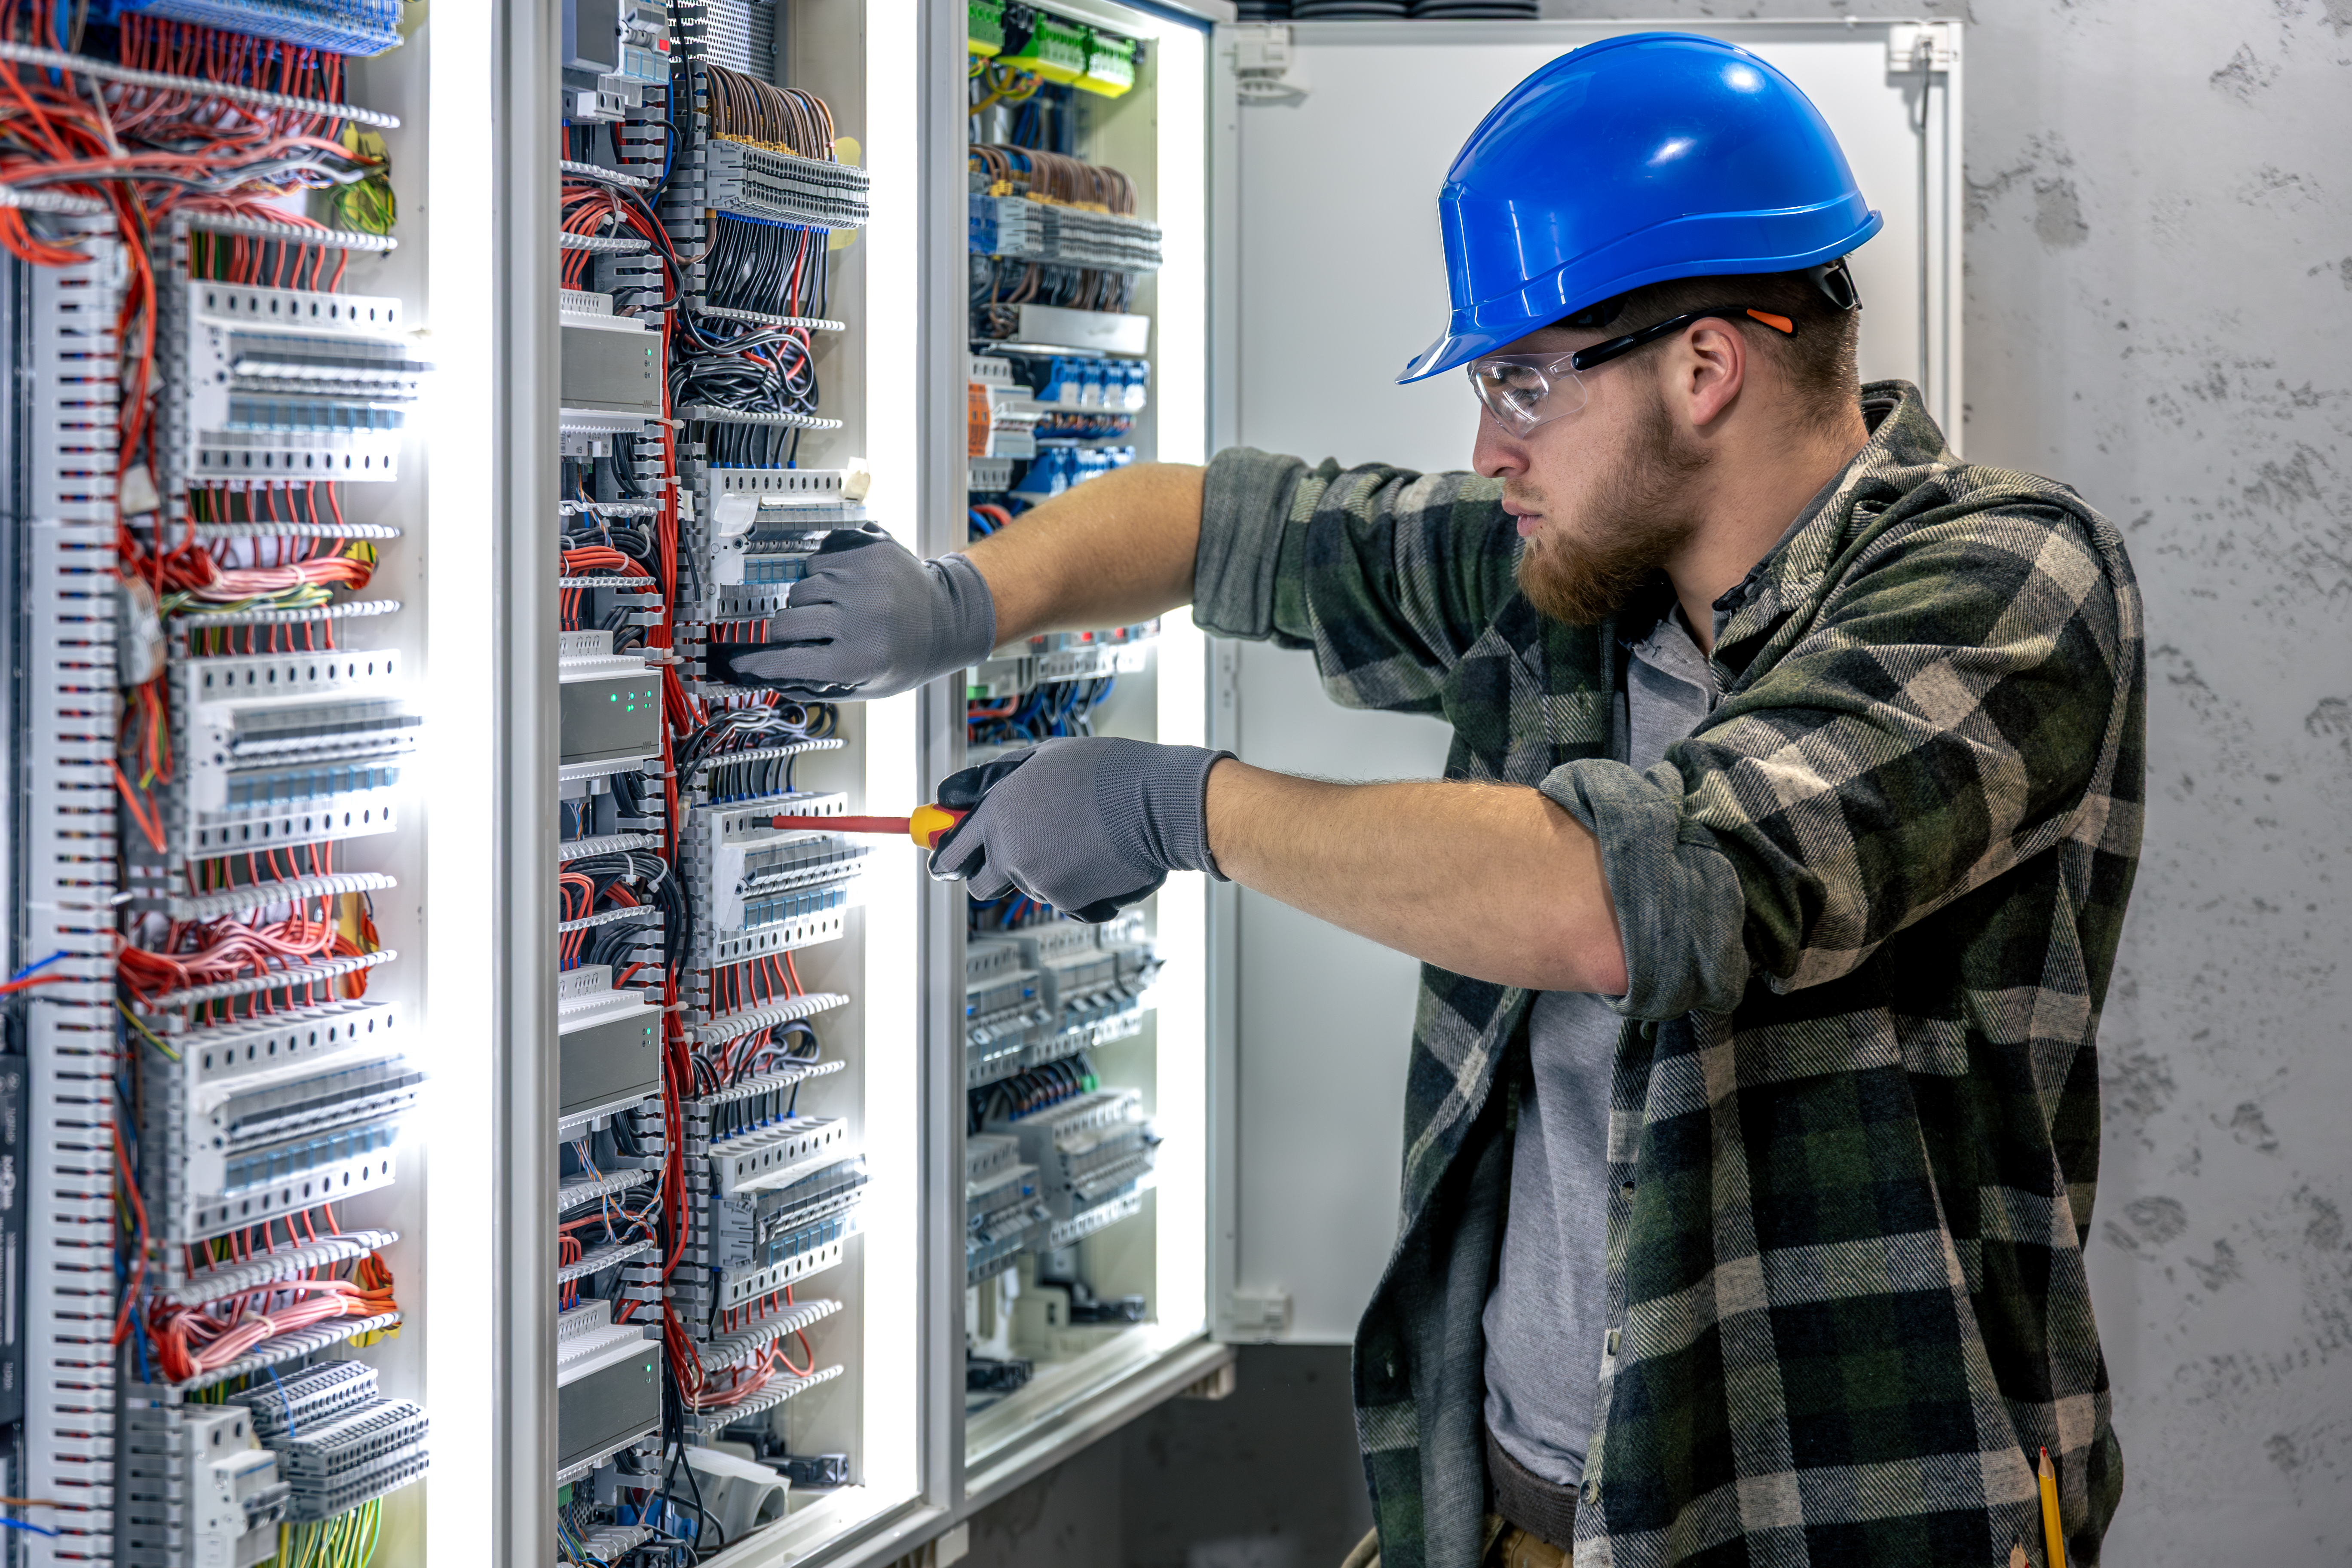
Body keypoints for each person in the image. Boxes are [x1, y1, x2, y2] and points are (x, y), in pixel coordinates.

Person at [718, 34, 2143, 1568]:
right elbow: (1224, 525)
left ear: (1704, 367)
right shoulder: (1578, 578)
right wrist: (962, 601)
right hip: (1517, 1507)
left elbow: (1632, 897)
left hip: (1847, 1523)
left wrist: (1182, 810)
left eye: (1522, 383)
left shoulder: (2006, 583)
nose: (1487, 448)